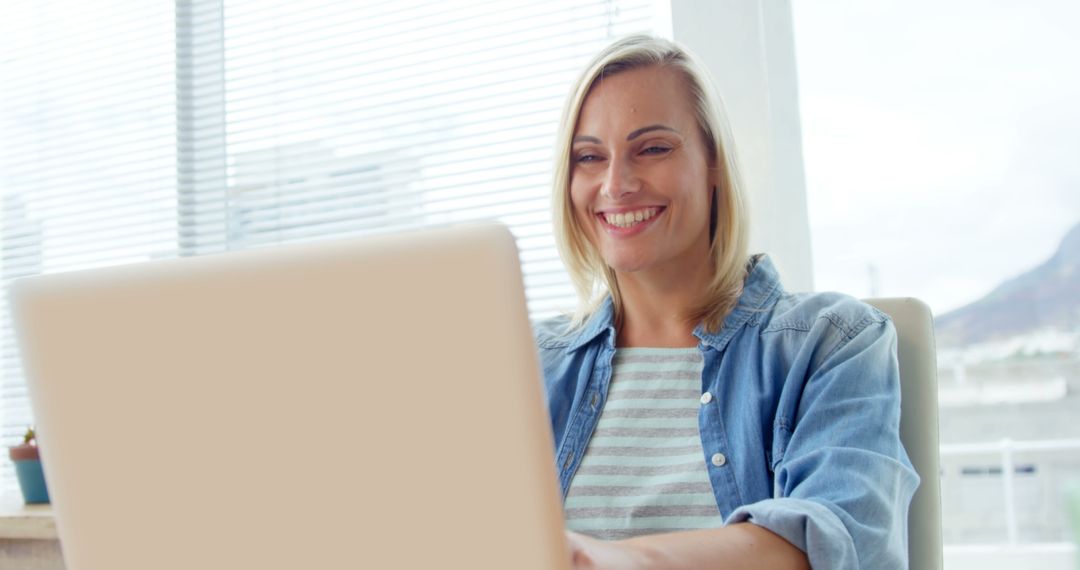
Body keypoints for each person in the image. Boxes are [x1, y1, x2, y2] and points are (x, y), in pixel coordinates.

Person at [534, 35, 919, 569]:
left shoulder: (834, 341)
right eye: (589, 157)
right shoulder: (527, 363)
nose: (616, 183)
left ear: (713, 163)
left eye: (653, 148)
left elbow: (839, 541)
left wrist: (608, 560)